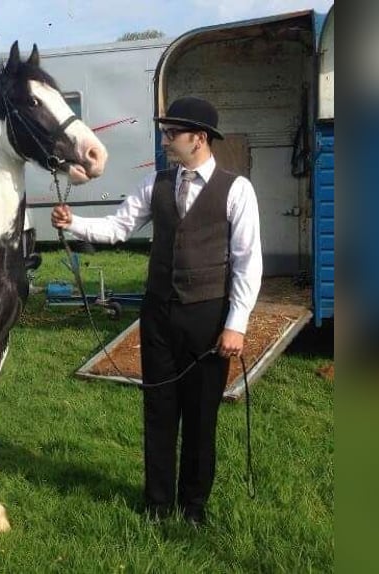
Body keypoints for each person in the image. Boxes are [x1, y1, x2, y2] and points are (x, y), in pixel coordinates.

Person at [51, 96, 262, 526]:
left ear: (198, 138)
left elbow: (248, 262)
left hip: (207, 317)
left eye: (172, 134)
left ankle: (194, 506)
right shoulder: (157, 185)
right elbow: (117, 227)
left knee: (201, 417)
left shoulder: (236, 190)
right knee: (159, 410)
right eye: (165, 133)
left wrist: (235, 324)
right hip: (159, 316)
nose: (165, 140)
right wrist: (72, 223)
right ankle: (158, 503)